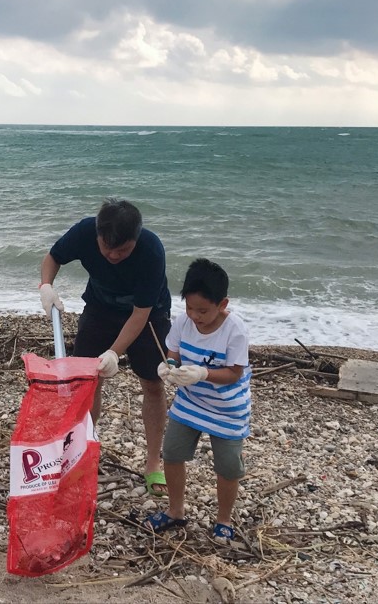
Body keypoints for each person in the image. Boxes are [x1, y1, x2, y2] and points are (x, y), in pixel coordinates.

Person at [39, 199, 171, 497]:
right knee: (87, 382)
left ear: (135, 240)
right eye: (106, 247)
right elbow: (52, 257)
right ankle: (83, 452)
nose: (112, 255)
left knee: (152, 384)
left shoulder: (151, 249)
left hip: (148, 317)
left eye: (122, 250)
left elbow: (141, 313)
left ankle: (153, 464)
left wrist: (114, 352)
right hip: (100, 308)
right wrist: (46, 286)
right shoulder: (86, 231)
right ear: (98, 235)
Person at [145, 258, 251, 544]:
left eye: (203, 310)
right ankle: (175, 511)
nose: (195, 316)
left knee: (228, 466)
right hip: (190, 402)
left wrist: (203, 373)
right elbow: (173, 351)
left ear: (222, 304)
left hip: (227, 408)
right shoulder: (184, 322)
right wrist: (168, 366)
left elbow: (234, 373)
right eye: (190, 308)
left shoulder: (235, 330)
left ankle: (223, 519)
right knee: (173, 452)